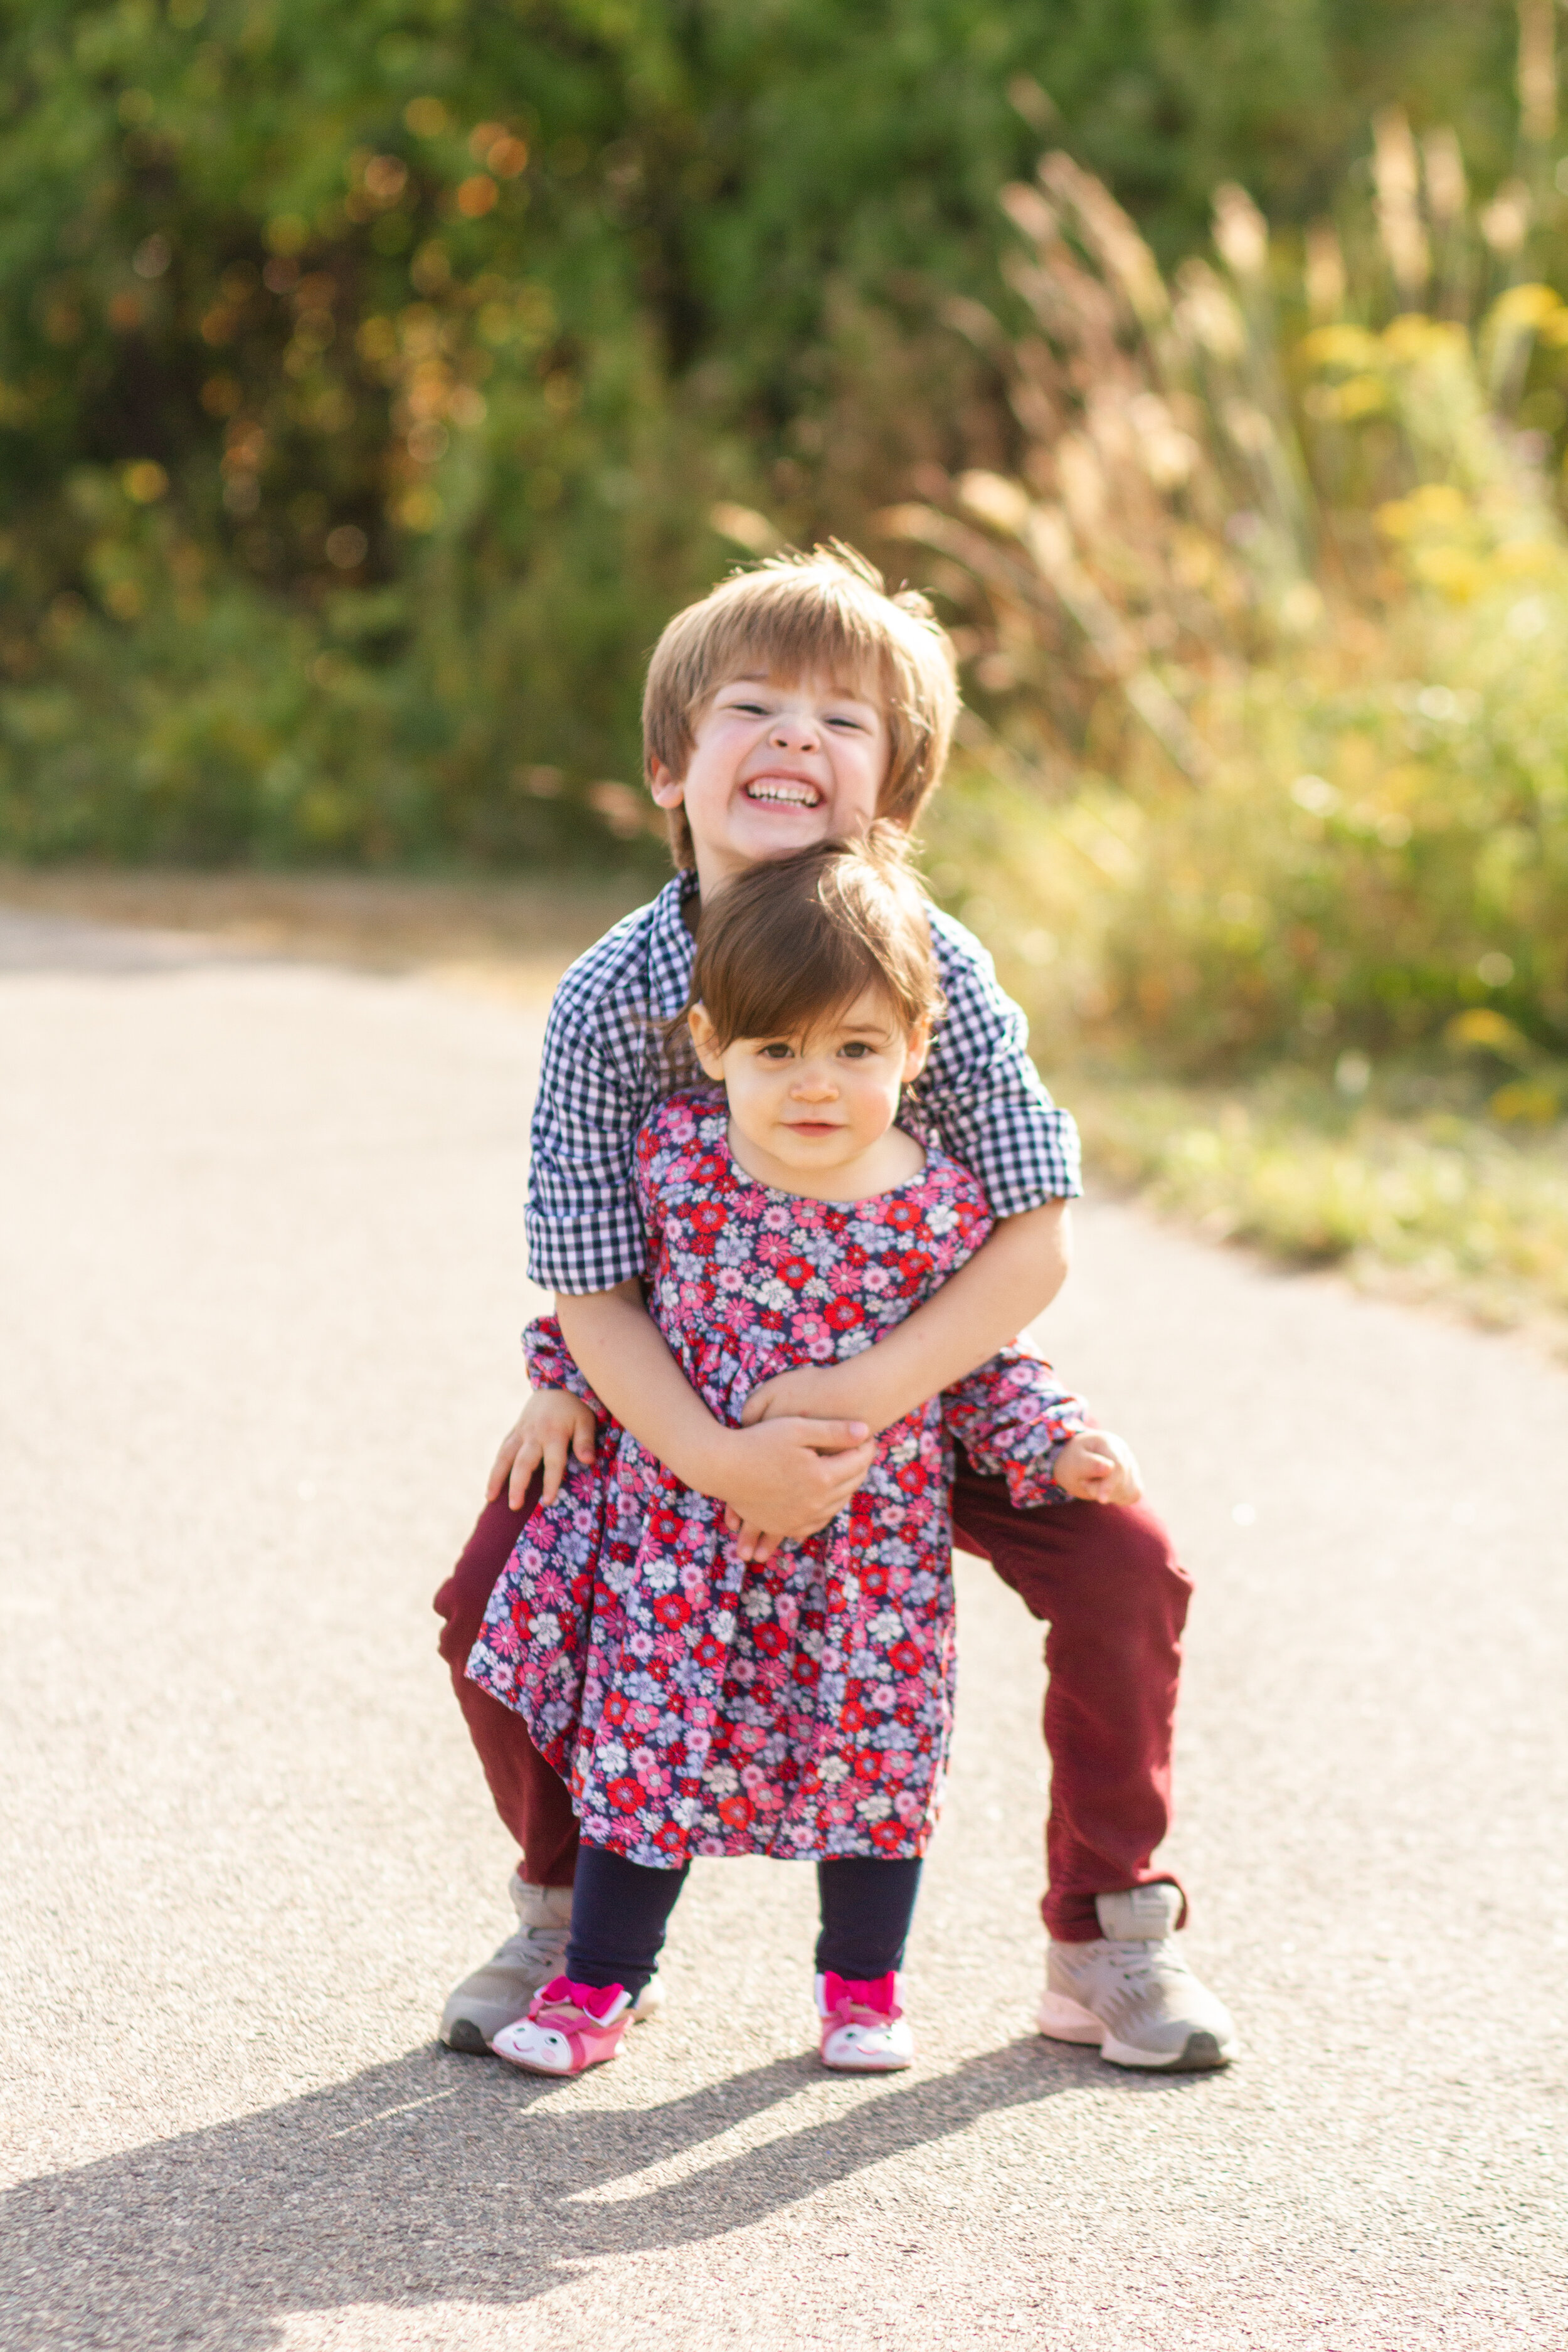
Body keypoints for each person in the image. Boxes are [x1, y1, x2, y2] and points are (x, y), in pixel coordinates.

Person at [435, 544, 1238, 2071]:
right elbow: (594, 1283)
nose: (796, 737)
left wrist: (867, 1397)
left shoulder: (937, 972)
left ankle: (1104, 1939)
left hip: (924, 1367)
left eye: (843, 720)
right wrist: (720, 1457)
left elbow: (1032, 1232)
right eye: (753, 706)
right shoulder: (614, 1000)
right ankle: (567, 1918)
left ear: (895, 798)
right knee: (492, 1596)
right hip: (681, 1384)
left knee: (1127, 1562)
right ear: (672, 767)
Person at [465, 837, 1107, 2077]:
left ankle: (861, 1989)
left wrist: (1056, 1443)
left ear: (914, 1053)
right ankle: (596, 1986)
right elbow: (614, 1306)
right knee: (644, 1757)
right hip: (683, 1546)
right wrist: (555, 1387)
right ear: (712, 1050)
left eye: (855, 1051)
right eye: (775, 1052)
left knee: (873, 1765)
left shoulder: (942, 1211)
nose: (813, 1085)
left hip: (865, 1560)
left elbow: (983, 1364)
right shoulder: (679, 1167)